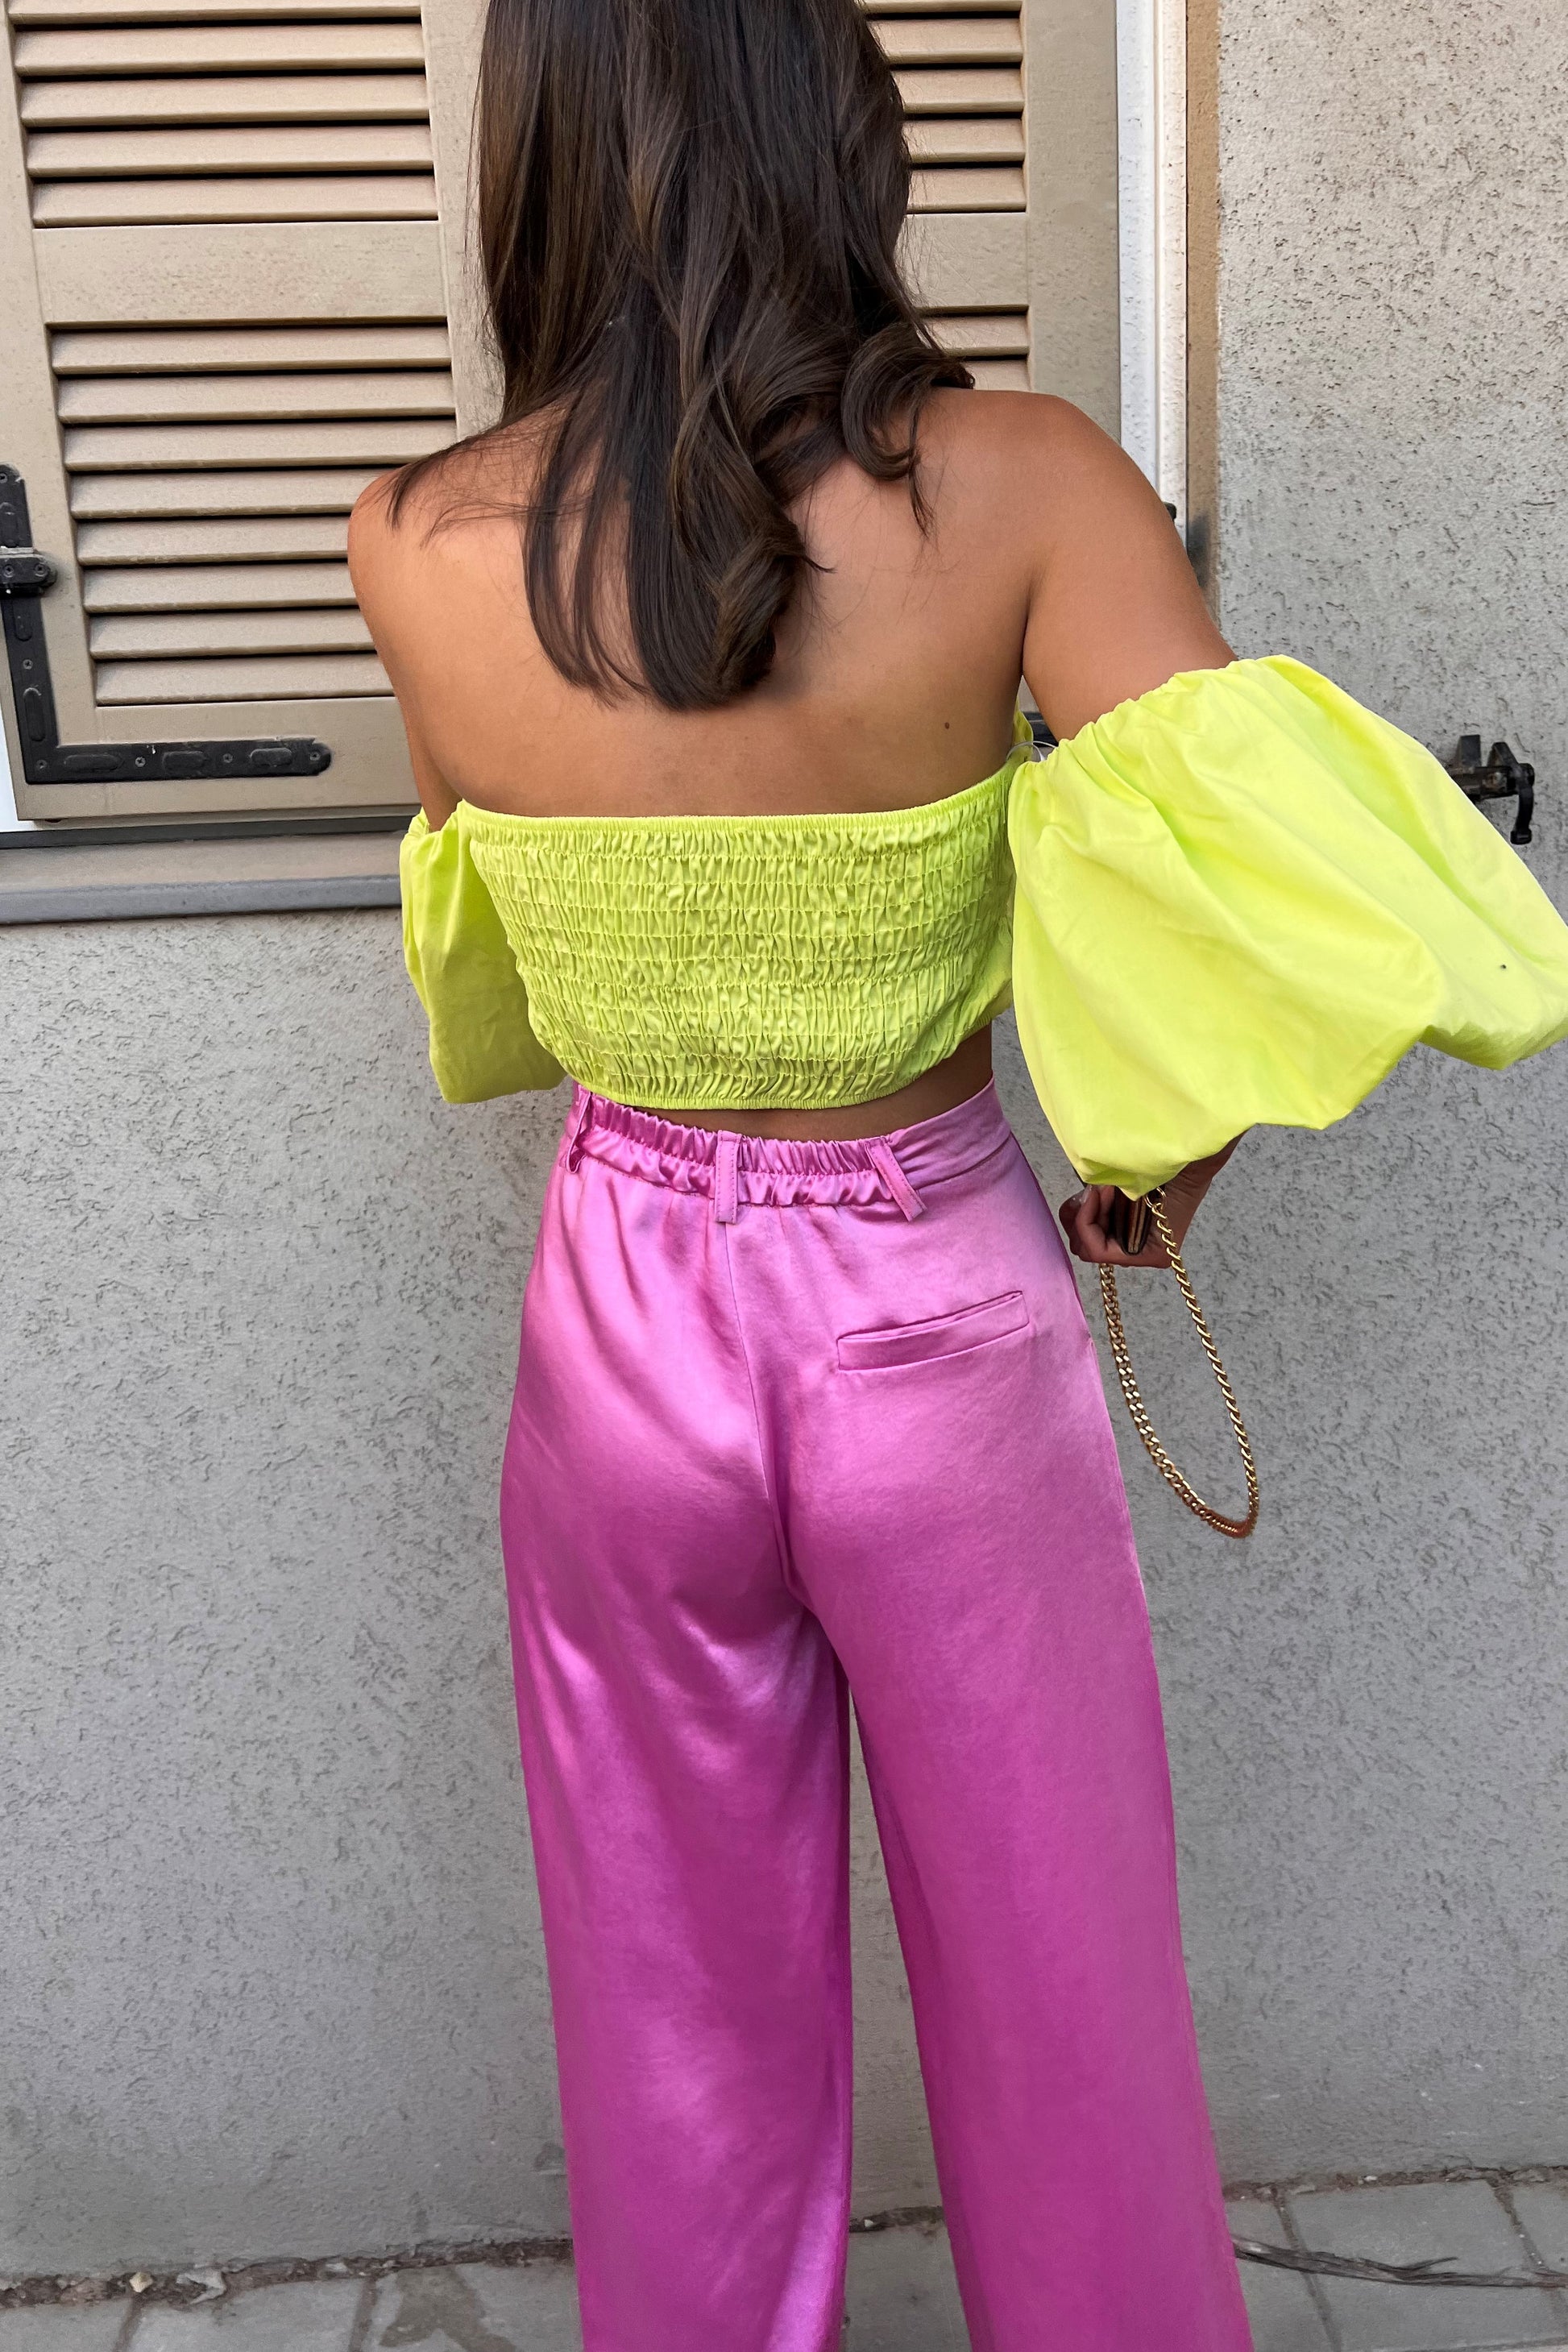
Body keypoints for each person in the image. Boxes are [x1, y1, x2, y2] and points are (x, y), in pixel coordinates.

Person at [347, 2, 1568, 2343]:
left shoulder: (408, 537)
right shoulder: (1014, 483)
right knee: (1054, 1969)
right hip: (928, 1302)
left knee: (664, 1982)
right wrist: (1166, 1162)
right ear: (843, 131)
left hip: (616, 1324)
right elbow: (1240, 892)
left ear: (534, 154)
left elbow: (498, 904)